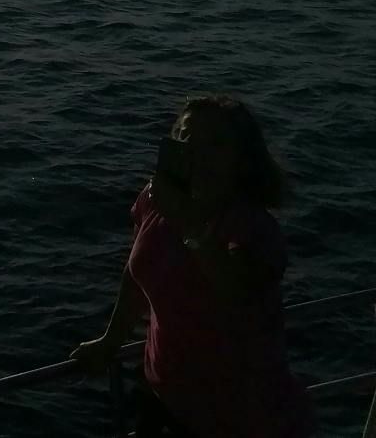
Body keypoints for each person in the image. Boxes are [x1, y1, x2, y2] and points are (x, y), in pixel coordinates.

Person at [71, 95, 315, 438]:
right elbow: (139, 270)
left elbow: (238, 290)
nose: (197, 152)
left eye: (214, 143)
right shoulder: (156, 203)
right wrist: (111, 339)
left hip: (245, 418)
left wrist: (187, 221)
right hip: (165, 401)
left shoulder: (253, 227)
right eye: (186, 137)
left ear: (242, 159)